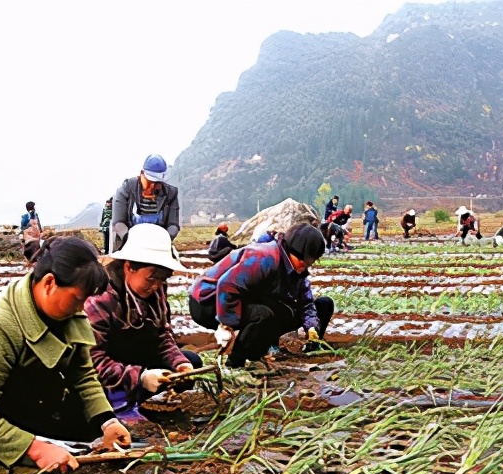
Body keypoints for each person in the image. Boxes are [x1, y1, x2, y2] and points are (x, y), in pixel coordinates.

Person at [0, 237, 131, 472]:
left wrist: (107, 421)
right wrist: (37, 450)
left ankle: (17, 441)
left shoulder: (68, 314)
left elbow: (81, 374)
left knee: (84, 425)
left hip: (14, 392)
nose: (82, 308)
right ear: (50, 283)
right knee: (31, 453)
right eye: (78, 298)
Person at [84, 224, 203, 418]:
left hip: (138, 358)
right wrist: (139, 377)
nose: (156, 286)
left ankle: (142, 396)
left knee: (192, 361)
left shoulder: (156, 290)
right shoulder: (100, 298)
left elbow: (162, 335)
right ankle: (122, 402)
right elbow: (92, 361)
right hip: (108, 370)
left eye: (162, 280)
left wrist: (179, 363)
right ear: (129, 266)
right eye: (151, 279)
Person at [188, 223, 334, 368]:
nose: (305, 267)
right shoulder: (265, 257)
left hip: (234, 298)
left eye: (310, 263)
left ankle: (255, 355)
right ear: (293, 251)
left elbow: (305, 302)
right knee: (263, 315)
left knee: (282, 312)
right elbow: (227, 285)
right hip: (207, 300)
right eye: (304, 261)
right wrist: (227, 326)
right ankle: (235, 365)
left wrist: (312, 327)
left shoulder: (296, 271)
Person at [110, 154, 180, 253]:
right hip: (128, 244)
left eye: (158, 183)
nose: (154, 186)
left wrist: (164, 240)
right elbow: (119, 222)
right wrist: (129, 239)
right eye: (150, 181)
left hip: (158, 245)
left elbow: (173, 225)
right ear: (142, 174)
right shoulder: (127, 189)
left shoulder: (170, 194)